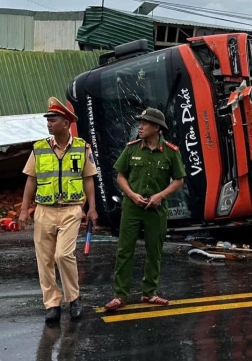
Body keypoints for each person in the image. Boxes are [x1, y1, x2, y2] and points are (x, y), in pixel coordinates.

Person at [18, 97, 98, 323]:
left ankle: (73, 298)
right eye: (48, 120)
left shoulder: (82, 148)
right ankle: (52, 303)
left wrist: (92, 208)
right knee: (44, 259)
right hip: (44, 210)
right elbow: (31, 181)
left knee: (63, 255)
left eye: (53, 120)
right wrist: (25, 210)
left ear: (67, 123)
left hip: (71, 209)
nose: (49, 124)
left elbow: (88, 179)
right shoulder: (40, 148)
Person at [105, 108, 185, 311]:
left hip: (156, 209)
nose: (140, 127)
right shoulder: (131, 149)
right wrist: (131, 195)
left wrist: (161, 196)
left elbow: (178, 180)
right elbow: (120, 176)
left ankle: (150, 293)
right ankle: (120, 295)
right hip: (132, 207)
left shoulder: (170, 151)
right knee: (125, 250)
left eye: (145, 123)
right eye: (140, 123)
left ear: (156, 127)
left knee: (154, 251)